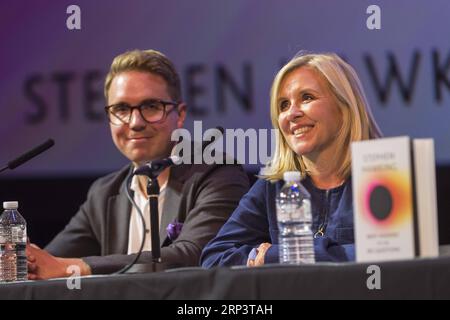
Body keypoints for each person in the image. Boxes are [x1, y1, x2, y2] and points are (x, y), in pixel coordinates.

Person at [27, 49, 249, 279]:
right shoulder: (104, 194)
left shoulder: (218, 175)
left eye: (151, 106)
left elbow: (195, 255)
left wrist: (79, 268)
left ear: (180, 114)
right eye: (121, 109)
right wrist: (26, 259)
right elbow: (50, 261)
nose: (135, 123)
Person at [200, 52, 382, 267]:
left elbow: (392, 253)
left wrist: (280, 255)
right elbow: (214, 257)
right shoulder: (273, 185)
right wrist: (255, 257)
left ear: (344, 107)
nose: (291, 114)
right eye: (284, 105)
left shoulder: (382, 174)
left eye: (307, 97)